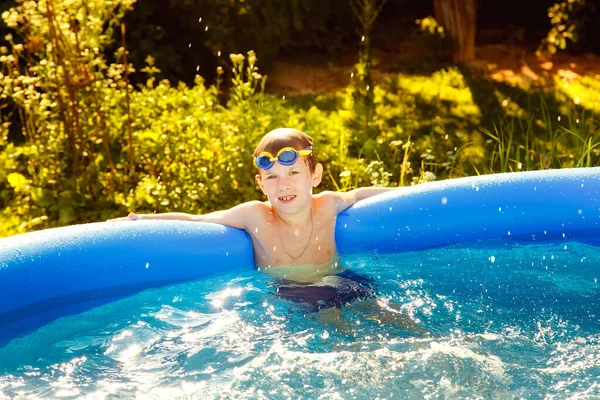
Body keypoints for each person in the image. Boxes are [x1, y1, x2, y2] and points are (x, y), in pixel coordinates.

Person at [111, 128, 425, 333]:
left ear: (314, 176)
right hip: (295, 292)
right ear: (261, 185)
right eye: (272, 177)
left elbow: (361, 195)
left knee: (400, 321)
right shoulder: (255, 216)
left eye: (292, 173)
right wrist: (143, 220)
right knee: (342, 335)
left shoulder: (327, 204)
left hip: (344, 279)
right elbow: (196, 220)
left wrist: (413, 193)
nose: (283, 184)